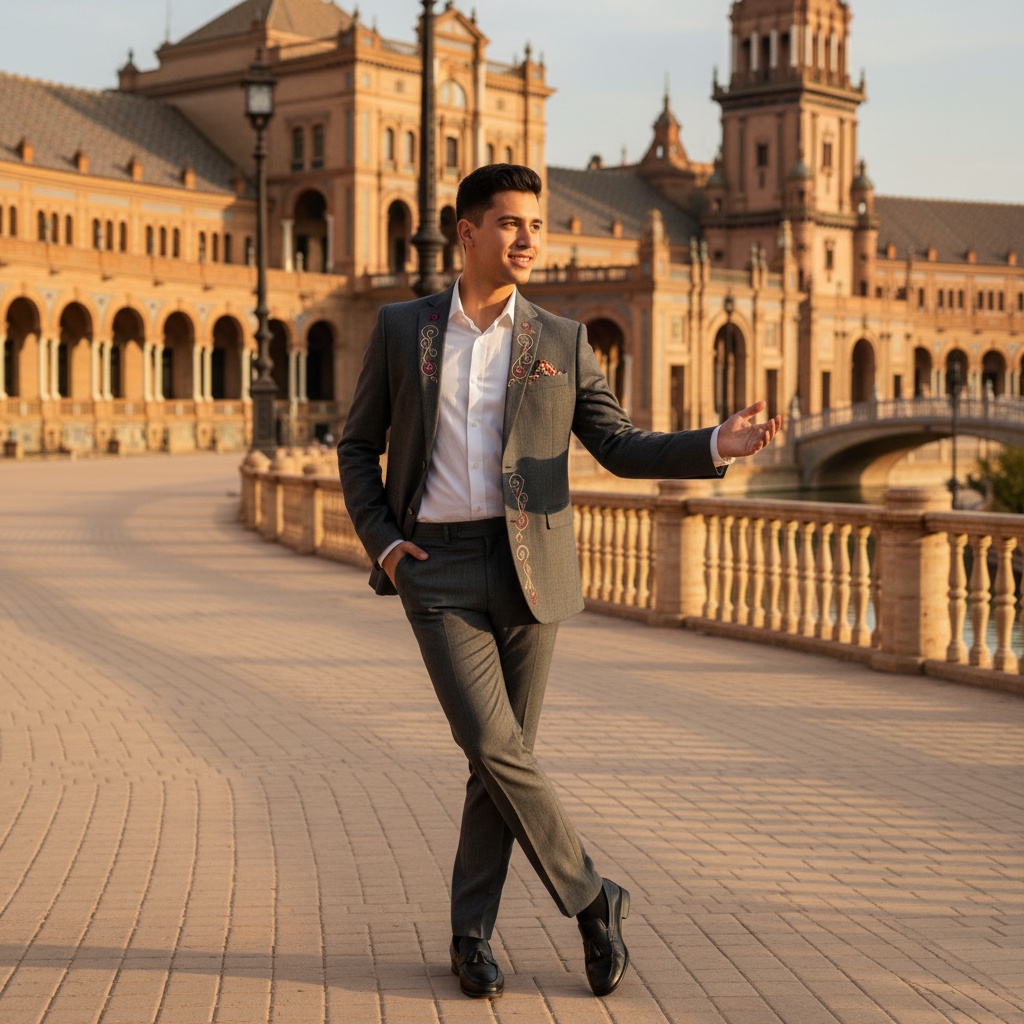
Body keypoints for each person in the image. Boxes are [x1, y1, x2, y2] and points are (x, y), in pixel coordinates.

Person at [337, 164, 781, 999]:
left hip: (530, 569)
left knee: (500, 762)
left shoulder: (561, 340)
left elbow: (619, 445)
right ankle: (592, 899)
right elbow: (358, 445)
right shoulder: (404, 329)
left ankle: (470, 937)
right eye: (510, 223)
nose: (528, 239)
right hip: (436, 568)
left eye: (535, 224)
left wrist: (712, 445)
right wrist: (387, 546)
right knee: (491, 744)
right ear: (467, 232)